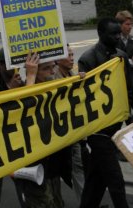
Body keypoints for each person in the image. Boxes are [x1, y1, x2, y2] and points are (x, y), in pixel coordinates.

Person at [78, 17, 130, 208]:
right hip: (97, 130)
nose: (118, 36)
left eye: (119, 33)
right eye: (113, 33)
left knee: (96, 181)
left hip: (115, 127)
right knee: (115, 179)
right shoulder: (87, 59)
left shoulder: (121, 57)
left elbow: (130, 91)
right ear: (100, 34)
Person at [0, 48, 39, 208]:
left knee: (23, 185)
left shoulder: (19, 81)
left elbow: (27, 108)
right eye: (9, 65)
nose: (14, 69)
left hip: (16, 141)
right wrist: (10, 92)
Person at [13, 61, 72, 208]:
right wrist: (31, 76)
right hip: (34, 169)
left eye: (53, 67)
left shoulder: (53, 88)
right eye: (46, 69)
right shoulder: (19, 92)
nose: (52, 72)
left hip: (53, 167)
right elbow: (25, 110)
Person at [54, 44, 87, 202]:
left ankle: (86, 203)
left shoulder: (72, 74)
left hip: (73, 131)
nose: (72, 58)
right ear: (57, 59)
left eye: (73, 55)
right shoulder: (52, 77)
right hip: (58, 134)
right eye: (69, 55)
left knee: (78, 167)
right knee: (55, 175)